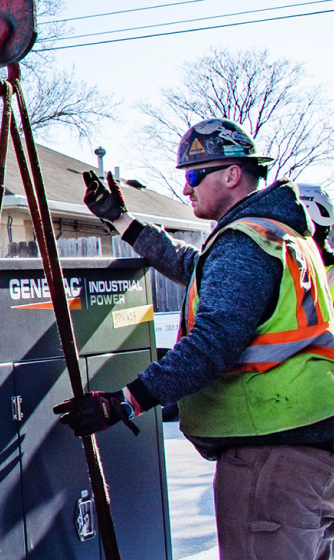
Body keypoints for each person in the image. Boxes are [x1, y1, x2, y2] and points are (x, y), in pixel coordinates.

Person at [57, 118, 334, 559]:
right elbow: (193, 266)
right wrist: (121, 220)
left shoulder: (246, 243)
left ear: (231, 174)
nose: (185, 189)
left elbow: (213, 342)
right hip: (308, 444)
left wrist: (126, 400)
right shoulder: (278, 235)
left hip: (273, 455)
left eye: (192, 175)